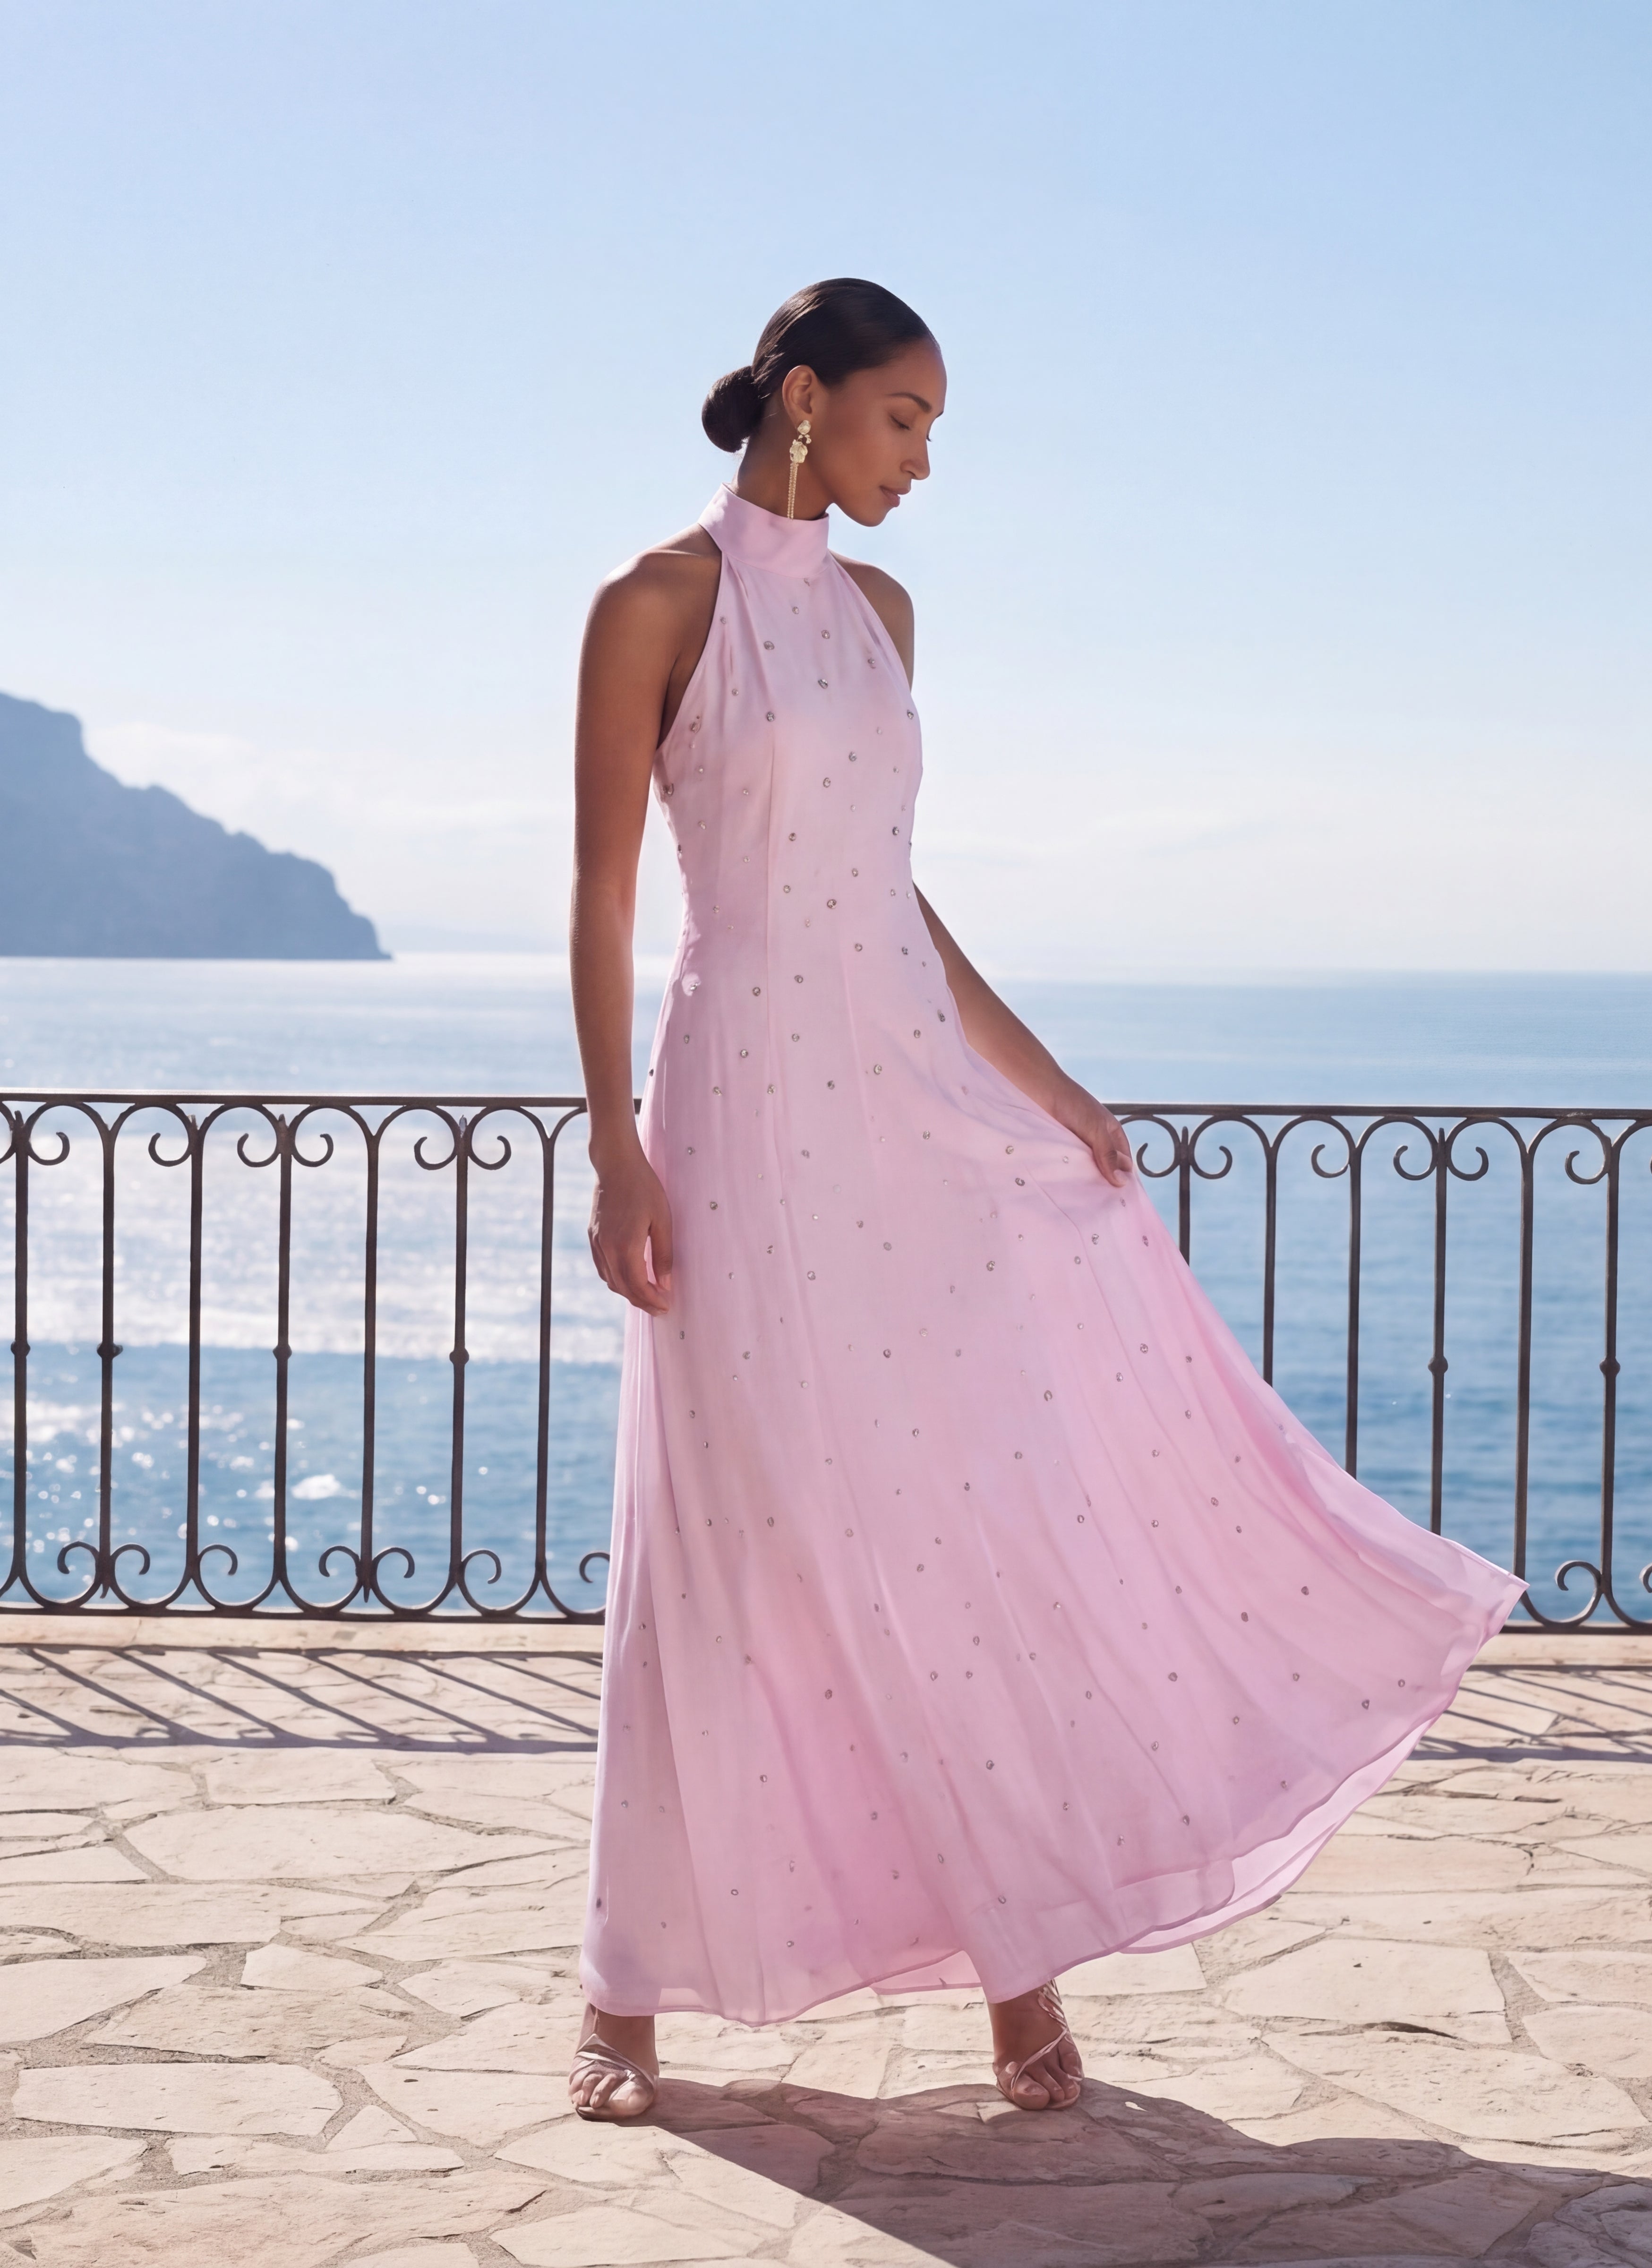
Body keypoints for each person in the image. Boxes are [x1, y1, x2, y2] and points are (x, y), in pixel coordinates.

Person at [566, 278, 1523, 2121]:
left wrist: (1050, 1088)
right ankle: (624, 1989)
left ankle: (1017, 1965)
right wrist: (614, 1144)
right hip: (738, 1108)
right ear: (800, 399)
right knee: (733, 1533)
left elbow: (888, 895)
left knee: (945, 1522)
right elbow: (607, 896)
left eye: (932, 430)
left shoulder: (882, 618)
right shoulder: (651, 606)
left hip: (898, 1107)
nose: (920, 462)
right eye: (901, 418)